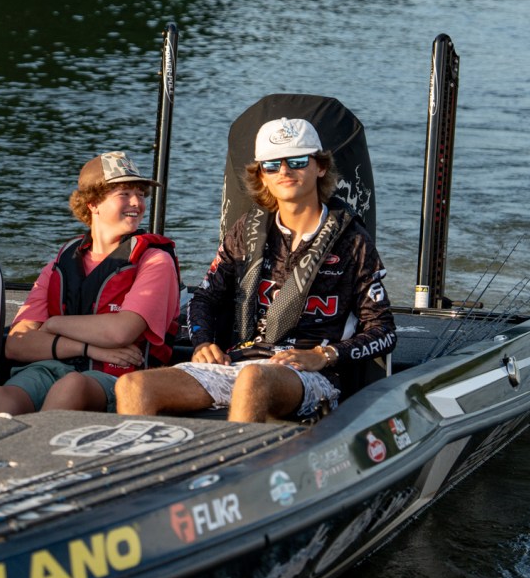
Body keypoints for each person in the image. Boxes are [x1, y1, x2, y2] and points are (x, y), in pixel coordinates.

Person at [115, 117, 396, 423]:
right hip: (239, 361)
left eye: (297, 161)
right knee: (133, 386)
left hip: (313, 376)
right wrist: (203, 342)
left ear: (321, 167)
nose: (284, 171)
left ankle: (238, 455)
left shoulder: (352, 240)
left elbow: (383, 331)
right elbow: (205, 298)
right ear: (262, 176)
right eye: (272, 165)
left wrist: (323, 356)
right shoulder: (247, 231)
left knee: (253, 379)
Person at [0, 152, 180, 416]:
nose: (137, 203)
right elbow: (17, 344)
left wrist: (54, 324)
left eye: (140, 194)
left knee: (72, 386)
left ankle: (37, 442)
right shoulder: (61, 263)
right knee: (1, 395)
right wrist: (88, 348)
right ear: (93, 203)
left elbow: (121, 332)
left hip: (119, 376)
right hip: (52, 366)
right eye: (124, 193)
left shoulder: (154, 261)